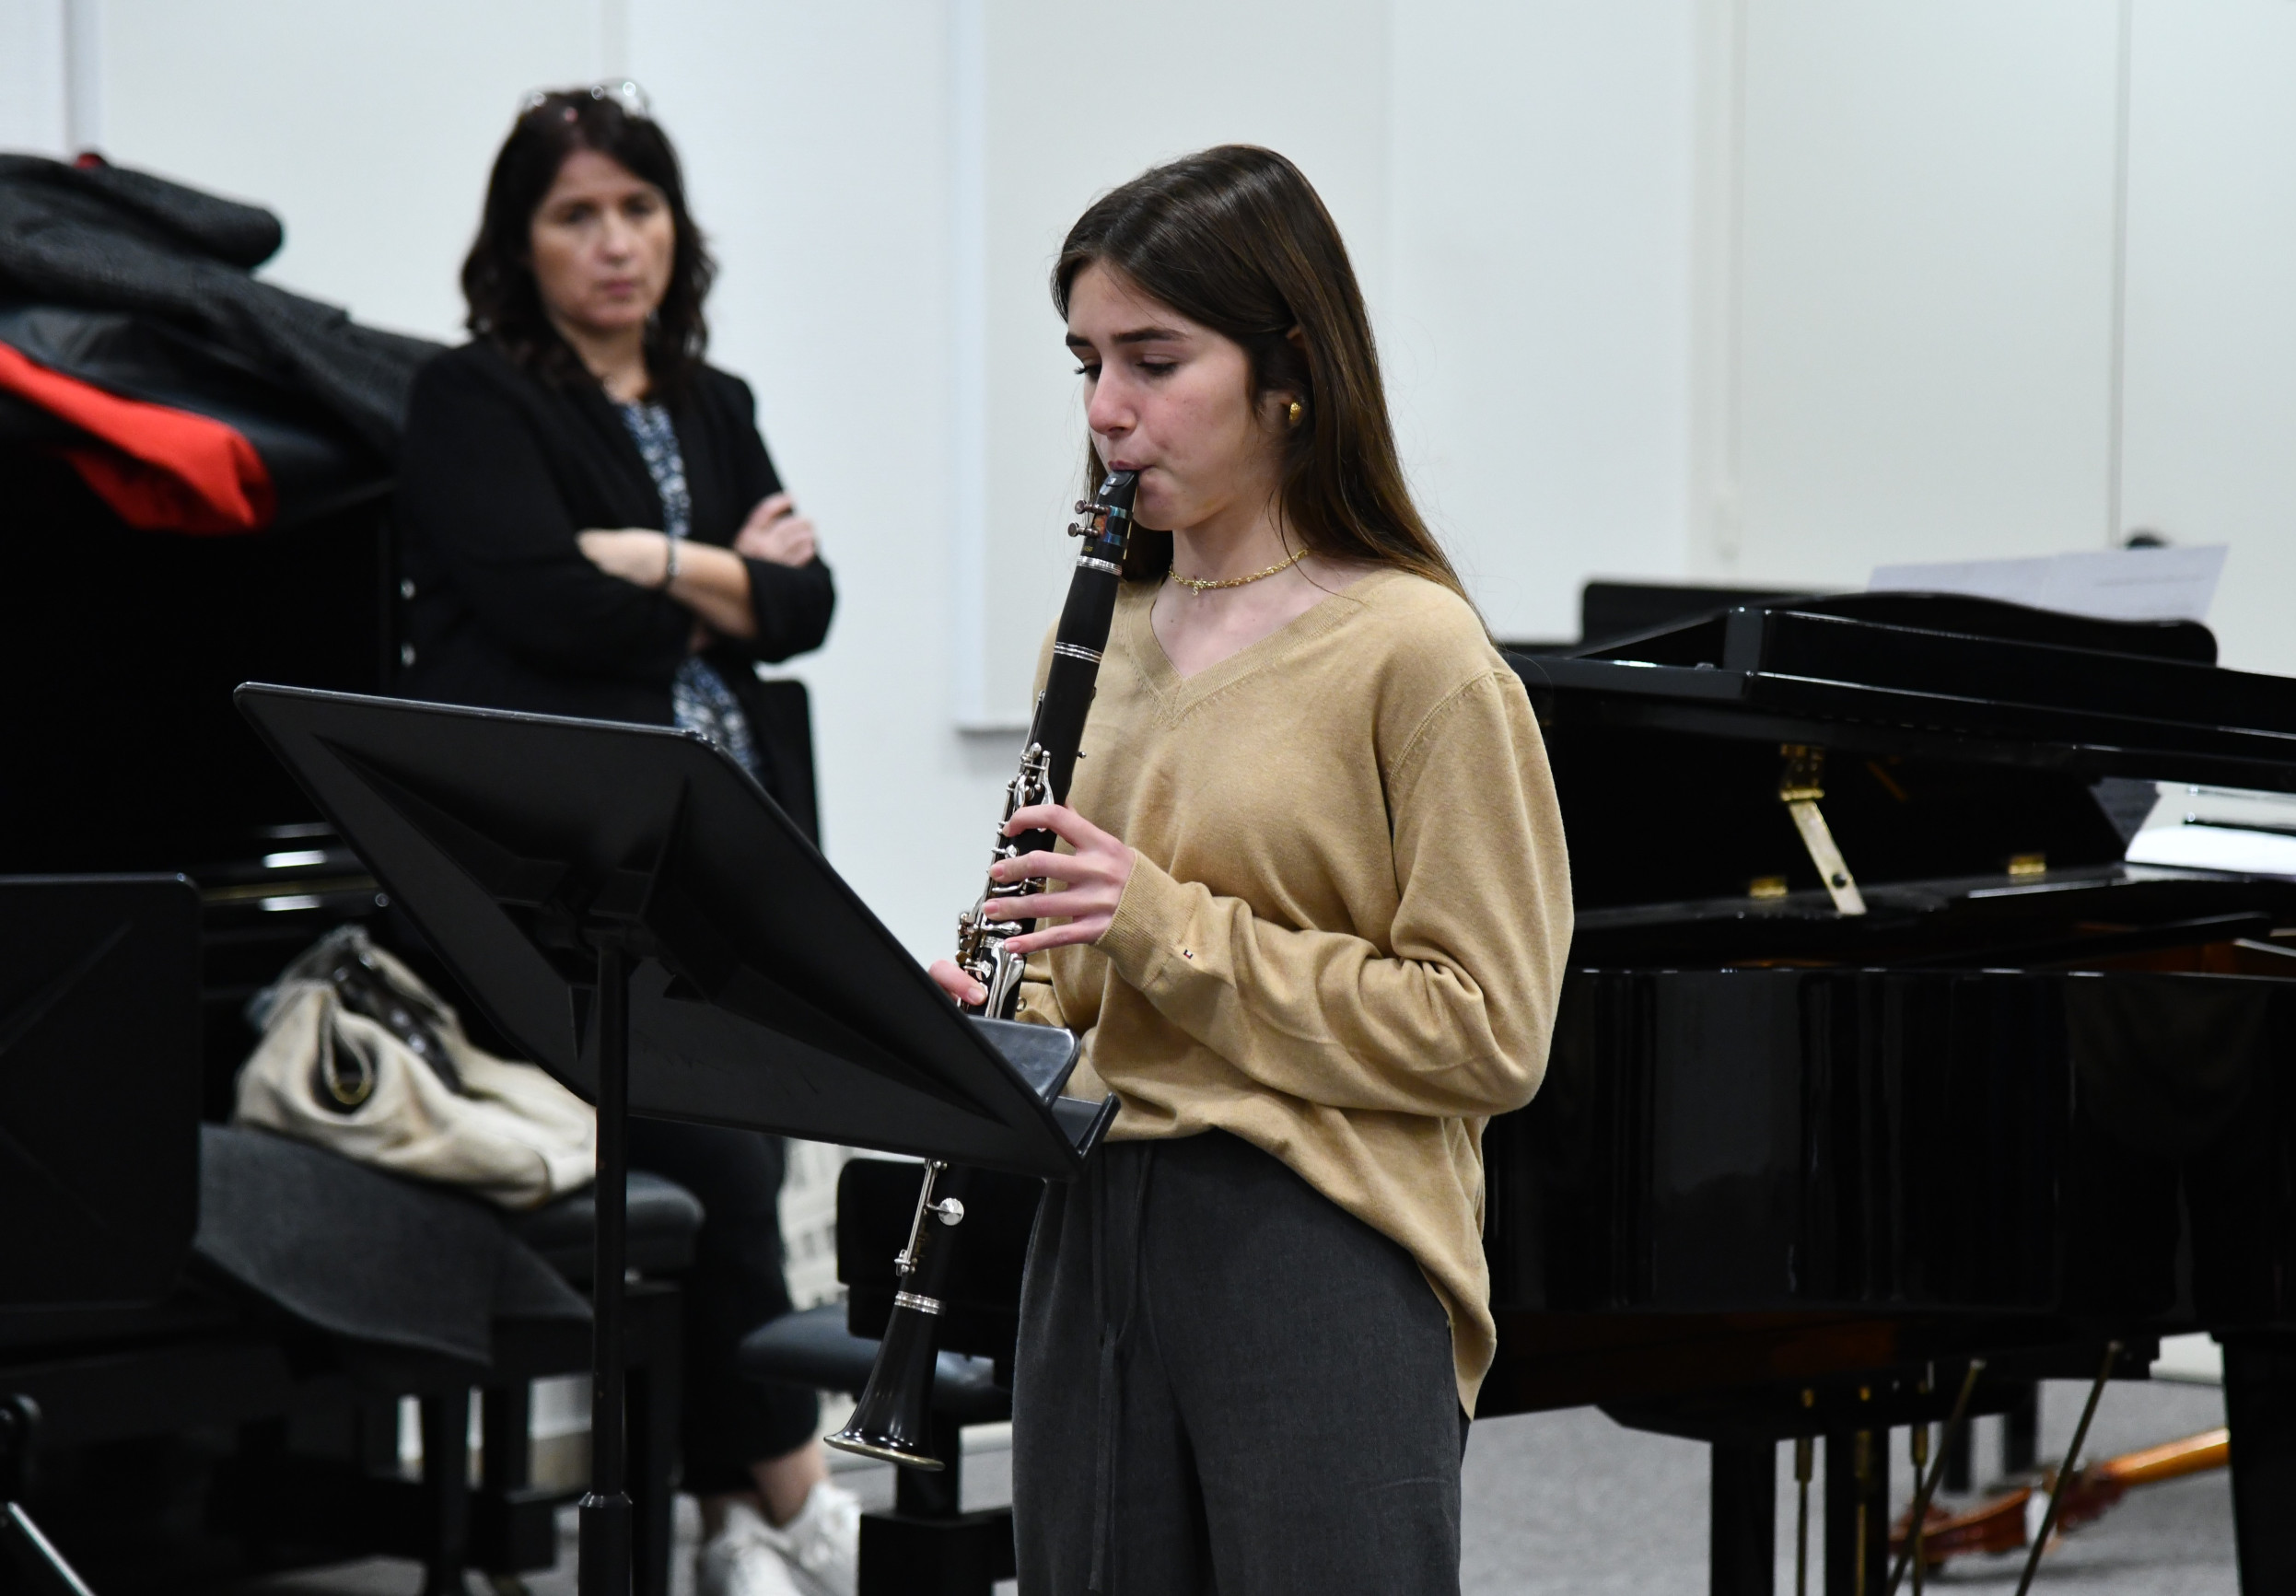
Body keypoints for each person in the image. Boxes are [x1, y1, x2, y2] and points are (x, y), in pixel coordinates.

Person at [928, 146, 1574, 1595]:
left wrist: (1164, 927)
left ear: (1289, 372)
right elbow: (1079, 974)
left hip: (1316, 1238)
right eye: (1088, 361)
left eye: (1155, 361)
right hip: (1093, 1225)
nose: (1107, 408)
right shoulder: (1095, 636)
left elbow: (1490, 1031)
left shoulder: (1417, 653)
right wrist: (994, 1014)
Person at [394, 83, 855, 1596]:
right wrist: (726, 577)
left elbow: (808, 606)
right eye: (575, 214)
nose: (614, 243)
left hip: (730, 860)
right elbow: (545, 606)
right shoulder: (473, 400)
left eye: (638, 208)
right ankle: (792, 1491)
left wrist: (651, 556)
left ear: (675, 227)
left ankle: (728, 1520)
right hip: (572, 886)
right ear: (519, 243)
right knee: (720, 1157)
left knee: (739, 1153)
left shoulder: (711, 400)